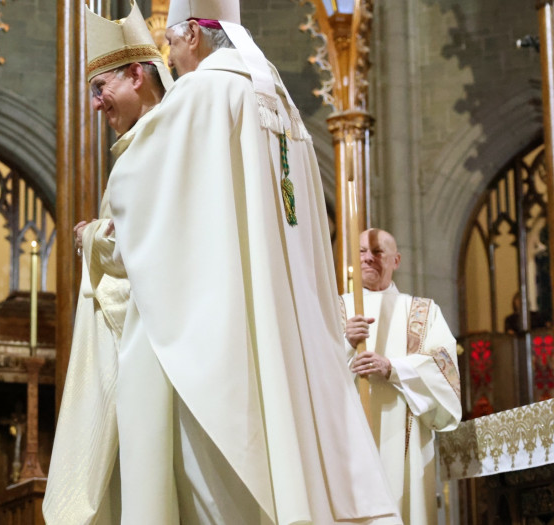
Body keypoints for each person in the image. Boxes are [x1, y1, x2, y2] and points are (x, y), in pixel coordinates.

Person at [103, 0, 402, 522]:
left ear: (194, 34)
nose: (170, 63)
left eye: (171, 45)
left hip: (224, 331)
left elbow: (143, 195)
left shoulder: (203, 92)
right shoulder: (280, 102)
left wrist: (99, 238)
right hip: (292, 330)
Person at [43, 3, 172, 523]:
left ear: (137, 74)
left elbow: (150, 251)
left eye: (102, 89)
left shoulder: (159, 142)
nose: (97, 104)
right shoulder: (144, 142)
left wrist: (89, 239)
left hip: (148, 344)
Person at [343, 229, 462, 524]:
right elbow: (309, 368)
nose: (368, 258)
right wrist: (344, 343)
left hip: (406, 444)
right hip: (347, 438)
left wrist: (392, 368)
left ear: (396, 260)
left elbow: (443, 369)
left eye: (378, 252)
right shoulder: (336, 309)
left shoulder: (422, 311)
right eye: (361, 252)